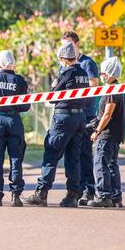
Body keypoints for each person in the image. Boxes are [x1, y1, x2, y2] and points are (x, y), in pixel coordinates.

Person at [23, 42, 90, 207]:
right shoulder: (83, 73)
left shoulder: (65, 74)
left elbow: (52, 97)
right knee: (73, 158)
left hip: (63, 118)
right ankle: (73, 195)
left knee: (51, 154)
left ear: (63, 59)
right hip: (80, 118)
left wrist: (54, 85)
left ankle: (41, 192)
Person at [0, 50, 30, 207]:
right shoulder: (20, 81)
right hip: (14, 120)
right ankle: (16, 195)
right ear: (13, 62)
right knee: (16, 158)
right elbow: (25, 106)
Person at [60, 31, 100, 206]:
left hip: (85, 113)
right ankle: (75, 190)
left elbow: (94, 84)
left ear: (77, 44)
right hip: (66, 114)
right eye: (63, 44)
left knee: (84, 153)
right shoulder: (63, 64)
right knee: (72, 154)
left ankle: (89, 190)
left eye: (69, 44)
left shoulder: (87, 62)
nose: (66, 48)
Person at [89, 57, 125, 208]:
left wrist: (97, 131)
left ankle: (104, 196)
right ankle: (116, 197)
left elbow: (107, 113)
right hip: (115, 135)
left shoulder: (111, 90)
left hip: (107, 134)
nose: (102, 76)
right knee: (112, 165)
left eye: (104, 73)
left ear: (110, 73)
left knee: (100, 164)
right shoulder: (119, 89)